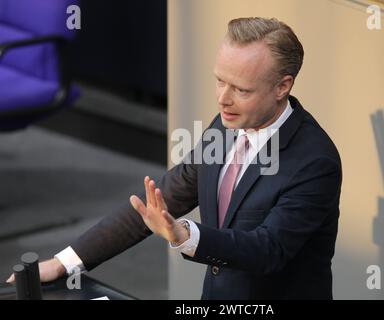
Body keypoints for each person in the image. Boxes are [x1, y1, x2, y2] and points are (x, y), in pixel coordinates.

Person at [7, 17, 342, 299]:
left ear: (282, 87)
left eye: (241, 90)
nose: (222, 99)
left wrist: (184, 235)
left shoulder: (314, 162)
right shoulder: (226, 124)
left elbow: (267, 250)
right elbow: (156, 203)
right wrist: (65, 262)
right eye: (219, 81)